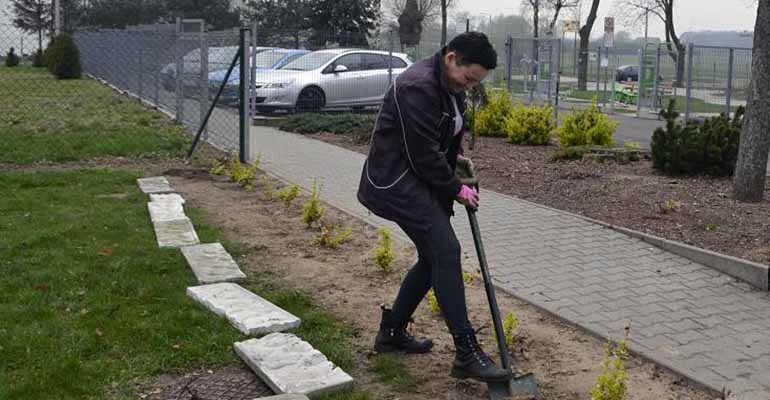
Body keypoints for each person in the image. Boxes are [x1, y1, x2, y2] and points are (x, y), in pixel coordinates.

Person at [357, 32, 510, 383]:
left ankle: (392, 332)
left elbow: (443, 131)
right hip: (396, 180)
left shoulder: (450, 85)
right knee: (446, 251)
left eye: (476, 83)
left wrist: (456, 156)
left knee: (433, 258)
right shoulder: (418, 86)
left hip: (418, 178)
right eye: (468, 79)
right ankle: (466, 352)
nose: (469, 86)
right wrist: (456, 188)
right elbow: (423, 154)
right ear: (451, 58)